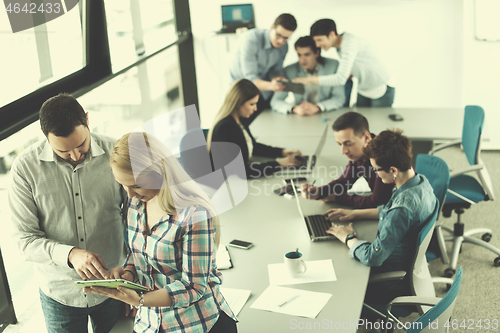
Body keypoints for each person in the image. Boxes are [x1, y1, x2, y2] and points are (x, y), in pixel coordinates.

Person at [85, 132, 237, 333]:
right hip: (150, 324)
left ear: (159, 172)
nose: (129, 194)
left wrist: (140, 299)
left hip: (196, 324)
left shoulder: (194, 214)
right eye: (122, 185)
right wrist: (127, 274)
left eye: (136, 185)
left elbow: (193, 287)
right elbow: (138, 253)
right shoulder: (136, 203)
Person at [8, 93, 128, 333]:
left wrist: (137, 278)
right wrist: (70, 254)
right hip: (60, 294)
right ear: (45, 135)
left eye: (81, 144)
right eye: (64, 151)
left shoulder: (116, 153)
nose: (75, 155)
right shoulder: (24, 170)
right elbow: (24, 240)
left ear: (87, 119)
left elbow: (138, 218)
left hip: (116, 285)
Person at [323, 129, 438, 305]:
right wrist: (355, 213)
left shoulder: (402, 208)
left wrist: (348, 238)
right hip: (410, 266)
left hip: (391, 281)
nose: (375, 174)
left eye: (376, 170)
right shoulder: (421, 183)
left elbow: (373, 257)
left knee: (335, 275)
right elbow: (388, 210)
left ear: (393, 170)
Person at [208, 79, 302, 179]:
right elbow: (241, 172)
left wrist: (281, 152)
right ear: (238, 103)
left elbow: (253, 146)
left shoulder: (239, 120)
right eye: (252, 104)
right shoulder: (225, 128)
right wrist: (278, 165)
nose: (255, 108)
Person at [293, 19, 395, 107]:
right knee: (362, 124)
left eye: (319, 40)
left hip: (380, 88)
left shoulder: (349, 44)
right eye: (315, 41)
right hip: (363, 88)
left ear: (332, 34)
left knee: (379, 125)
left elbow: (340, 79)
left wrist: (309, 80)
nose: (317, 45)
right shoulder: (340, 46)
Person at [302, 112, 394, 208]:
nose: (343, 151)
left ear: (366, 138)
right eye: (340, 144)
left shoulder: (383, 158)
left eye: (348, 144)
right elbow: (345, 181)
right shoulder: (360, 154)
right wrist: (319, 192)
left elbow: (377, 202)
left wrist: (337, 198)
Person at [229, 13, 297, 124]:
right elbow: (250, 78)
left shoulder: (284, 47)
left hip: (264, 92)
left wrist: (277, 77)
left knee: (265, 124)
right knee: (242, 127)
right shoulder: (251, 39)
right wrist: (272, 85)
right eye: (278, 35)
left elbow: (275, 69)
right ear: (271, 27)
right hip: (241, 92)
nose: (281, 41)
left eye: (286, 38)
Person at [270, 36, 345, 115]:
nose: (302, 60)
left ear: (317, 53)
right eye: (299, 55)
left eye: (307, 54)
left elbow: (339, 98)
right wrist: (294, 108)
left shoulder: (333, 66)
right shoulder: (290, 70)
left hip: (326, 113)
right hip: (301, 116)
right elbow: (275, 101)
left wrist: (318, 107)